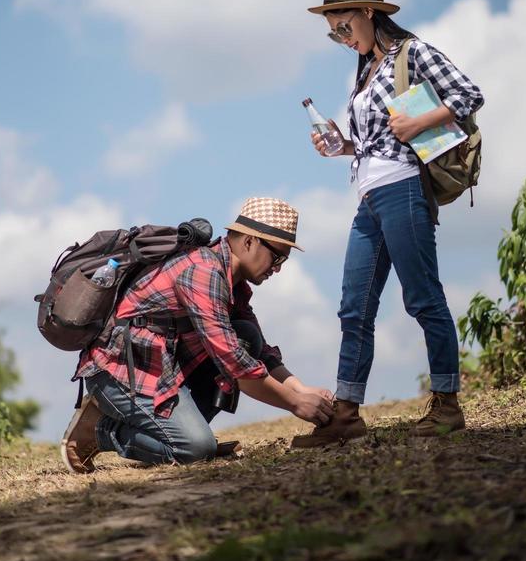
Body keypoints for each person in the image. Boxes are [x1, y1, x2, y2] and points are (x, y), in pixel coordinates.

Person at [292, 0, 484, 448]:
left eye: (344, 27)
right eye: (333, 33)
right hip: (368, 195)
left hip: (405, 188)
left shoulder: (411, 54)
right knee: (353, 307)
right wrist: (343, 147)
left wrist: (421, 120)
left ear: (369, 13)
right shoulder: (363, 72)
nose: (342, 38)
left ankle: (447, 404)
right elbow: (376, 140)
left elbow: (469, 95)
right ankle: (348, 414)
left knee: (422, 297)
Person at [61, 197, 334, 473]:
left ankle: (185, 434)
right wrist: (295, 403)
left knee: (246, 335)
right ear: (249, 242)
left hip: (161, 370)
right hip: (118, 373)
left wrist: (300, 389)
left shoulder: (232, 281)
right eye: (278, 256)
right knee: (194, 449)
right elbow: (235, 364)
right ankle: (98, 430)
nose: (278, 267)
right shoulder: (203, 271)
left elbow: (254, 350)